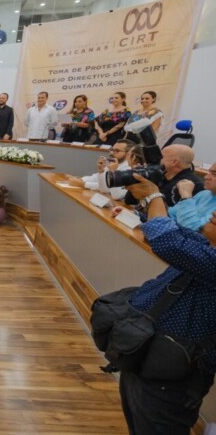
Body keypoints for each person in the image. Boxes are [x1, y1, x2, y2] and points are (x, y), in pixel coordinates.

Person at [111, 174, 216, 435]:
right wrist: (150, 200)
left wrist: (154, 195)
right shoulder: (207, 246)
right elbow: (174, 231)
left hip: (173, 376)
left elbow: (166, 239)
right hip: (149, 357)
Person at [124, 145, 204, 209]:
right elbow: (129, 201)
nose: (157, 160)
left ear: (174, 162)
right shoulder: (162, 175)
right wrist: (140, 176)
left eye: (161, 157)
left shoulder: (189, 184)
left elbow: (164, 214)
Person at [67, 139, 135, 200]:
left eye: (116, 151)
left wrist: (84, 184)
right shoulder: (113, 163)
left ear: (128, 154)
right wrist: (101, 171)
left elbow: (112, 192)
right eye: (112, 150)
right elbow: (103, 188)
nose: (111, 153)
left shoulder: (129, 168)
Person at [167, 165, 216, 231]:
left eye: (214, 174)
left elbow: (192, 230)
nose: (206, 177)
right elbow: (171, 213)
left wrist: (186, 196)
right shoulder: (205, 193)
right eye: (209, 172)